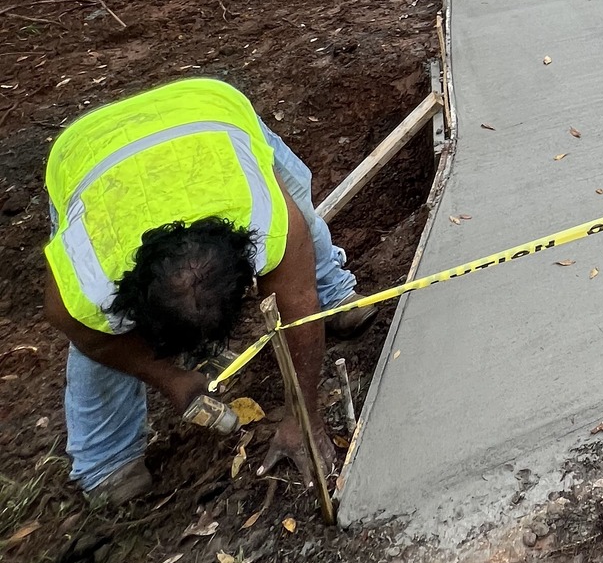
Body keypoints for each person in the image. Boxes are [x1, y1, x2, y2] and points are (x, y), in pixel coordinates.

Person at [41, 77, 370, 507]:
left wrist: (304, 416)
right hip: (86, 154)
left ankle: (336, 293)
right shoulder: (92, 281)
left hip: (210, 111)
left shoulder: (263, 219)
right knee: (100, 330)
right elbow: (88, 336)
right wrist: (170, 378)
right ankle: (107, 461)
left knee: (298, 214)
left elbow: (296, 303)